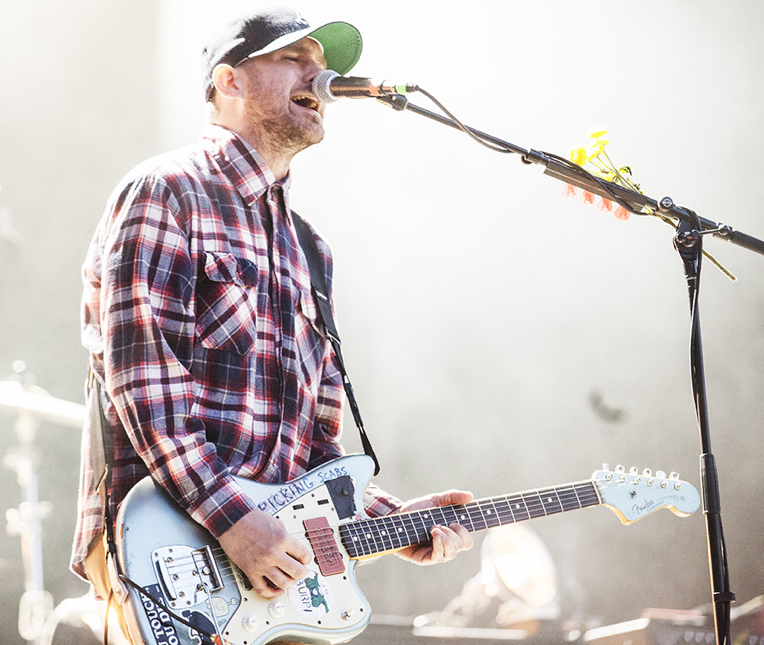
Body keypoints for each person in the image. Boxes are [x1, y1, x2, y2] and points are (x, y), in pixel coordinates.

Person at [71, 7, 473, 643]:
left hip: (272, 585)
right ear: (228, 83)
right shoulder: (167, 190)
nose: (321, 77)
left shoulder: (309, 248)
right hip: (170, 553)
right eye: (295, 59)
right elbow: (142, 380)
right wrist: (233, 520)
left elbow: (311, 451)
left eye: (324, 65)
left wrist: (387, 519)